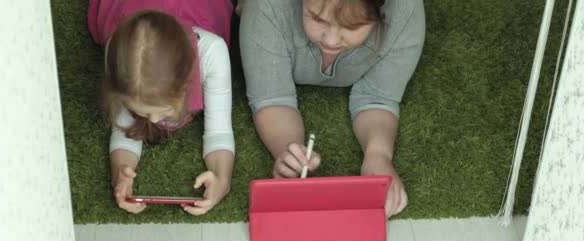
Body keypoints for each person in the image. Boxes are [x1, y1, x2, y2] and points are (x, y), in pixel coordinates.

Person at [239, 0, 425, 217]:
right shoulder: (267, 6)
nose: (331, 39)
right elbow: (272, 97)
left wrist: (378, 155)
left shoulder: (405, 10)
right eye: (317, 18)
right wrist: (289, 151)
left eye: (352, 25)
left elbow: (378, 97)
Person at [88, 0, 235, 215]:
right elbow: (125, 133)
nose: (155, 121)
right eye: (142, 111)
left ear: (188, 81)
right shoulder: (119, 55)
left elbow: (219, 132)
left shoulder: (212, 53)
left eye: (163, 109)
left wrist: (222, 180)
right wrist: (120, 173)